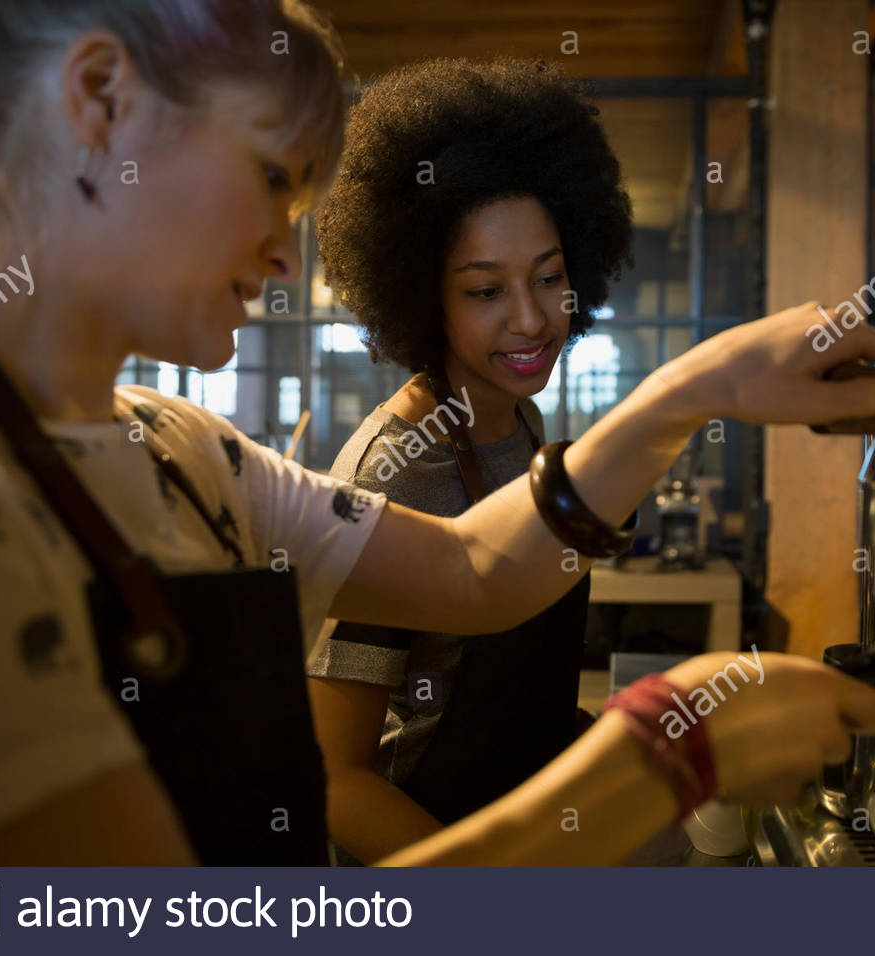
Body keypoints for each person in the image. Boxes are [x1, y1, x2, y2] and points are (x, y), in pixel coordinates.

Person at [0, 0, 875, 867]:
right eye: (269, 175)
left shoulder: (181, 451)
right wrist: (664, 754)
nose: (285, 254)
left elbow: (475, 568)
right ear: (100, 99)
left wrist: (705, 382)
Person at [306, 57, 632, 864]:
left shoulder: (521, 420)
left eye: (550, 279)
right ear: (423, 295)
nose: (532, 320)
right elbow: (338, 778)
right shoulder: (395, 470)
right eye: (485, 291)